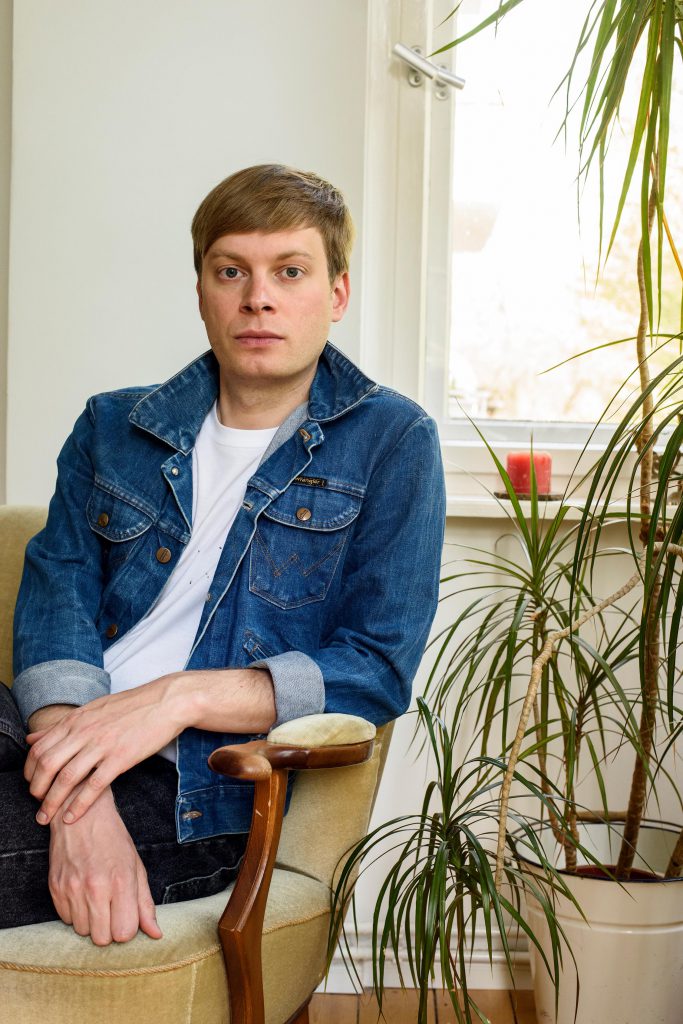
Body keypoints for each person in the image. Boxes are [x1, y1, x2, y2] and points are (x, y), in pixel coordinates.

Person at [1, 164, 446, 945]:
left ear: (336, 295)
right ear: (202, 287)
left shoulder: (392, 442)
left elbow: (374, 667)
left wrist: (177, 698)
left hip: (197, 790)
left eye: (290, 271)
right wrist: (82, 793)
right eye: (230, 270)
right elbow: (56, 603)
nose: (258, 298)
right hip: (62, 731)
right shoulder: (112, 427)